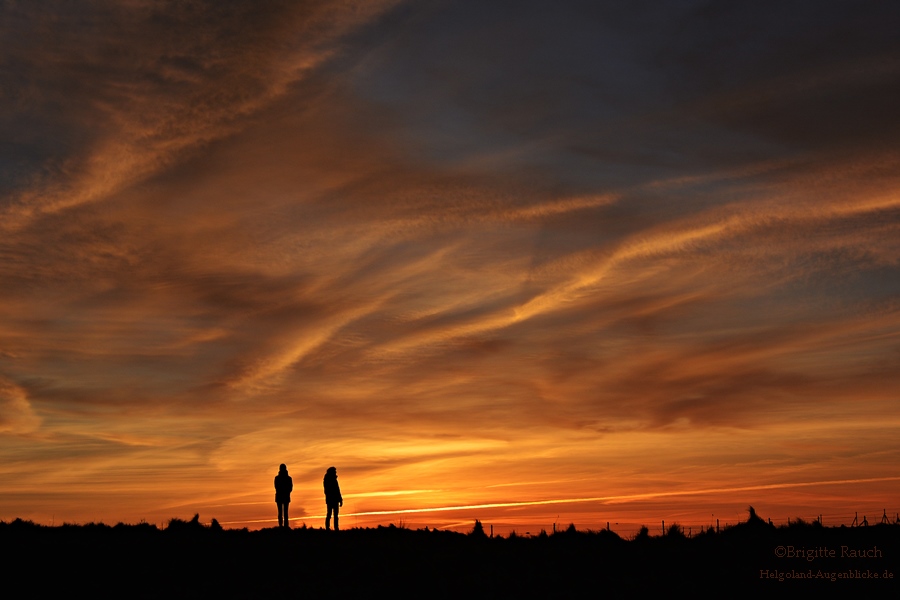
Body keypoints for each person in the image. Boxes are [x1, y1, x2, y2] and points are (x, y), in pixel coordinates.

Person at [323, 466, 343, 530]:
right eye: (334, 471)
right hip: (331, 499)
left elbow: (337, 490)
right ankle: (328, 528)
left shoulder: (333, 479)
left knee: (335, 515)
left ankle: (336, 528)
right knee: (329, 514)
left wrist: (340, 499)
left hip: (334, 499)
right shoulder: (327, 480)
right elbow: (328, 491)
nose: (335, 472)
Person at [274, 463, 293, 528]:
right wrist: (286, 492)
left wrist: (285, 492)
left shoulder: (278, 478)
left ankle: (284, 526)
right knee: (283, 512)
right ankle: (283, 526)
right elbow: (290, 488)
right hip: (283, 496)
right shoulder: (288, 478)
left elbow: (290, 488)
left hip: (282, 496)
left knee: (283, 512)